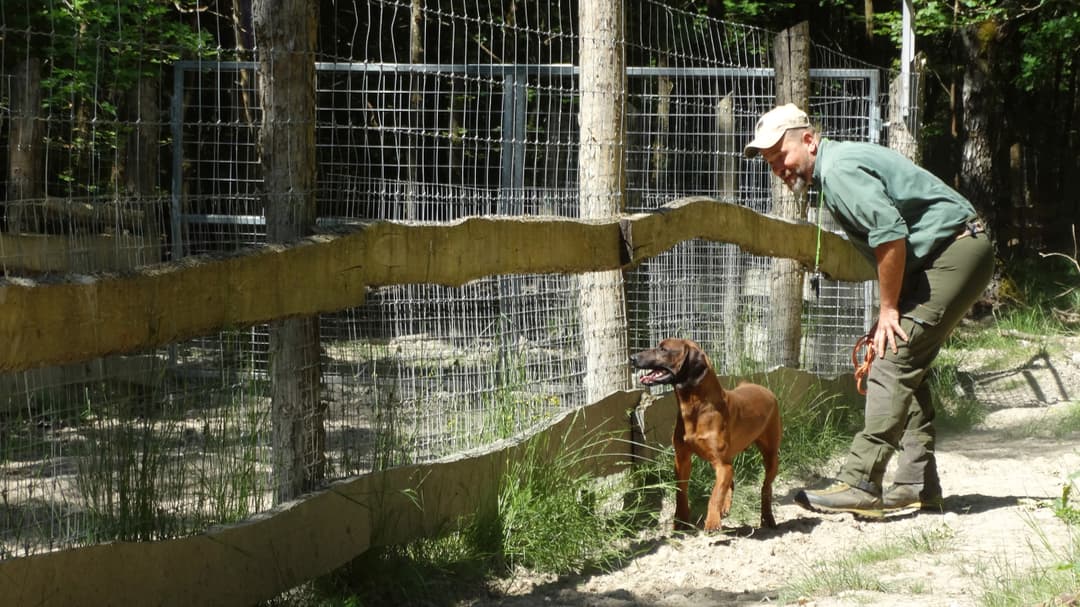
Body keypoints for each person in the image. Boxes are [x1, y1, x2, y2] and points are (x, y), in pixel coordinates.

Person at [743, 103, 995, 516]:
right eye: (770, 162)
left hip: (955, 252)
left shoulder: (838, 170)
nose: (779, 168)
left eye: (781, 155)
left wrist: (890, 309)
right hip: (947, 254)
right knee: (902, 357)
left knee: (893, 356)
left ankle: (861, 480)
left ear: (808, 139)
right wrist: (889, 308)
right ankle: (917, 483)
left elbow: (891, 236)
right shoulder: (836, 168)